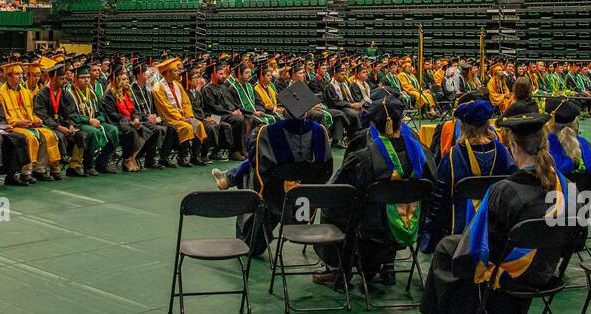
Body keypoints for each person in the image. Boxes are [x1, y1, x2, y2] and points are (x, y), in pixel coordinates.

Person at [420, 107, 577, 314]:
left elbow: (479, 250)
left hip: (510, 277)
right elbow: (577, 240)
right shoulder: (567, 187)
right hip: (545, 271)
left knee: (453, 250)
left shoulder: (504, 192)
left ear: (513, 146)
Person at [315, 87, 434, 288]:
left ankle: (337, 270)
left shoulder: (365, 154)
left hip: (371, 228)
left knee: (332, 209)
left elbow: (341, 190)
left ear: (372, 123)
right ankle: (388, 265)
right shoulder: (423, 153)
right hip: (410, 227)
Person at [211, 81, 332, 256]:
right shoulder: (319, 131)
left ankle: (251, 238)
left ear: (283, 110)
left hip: (274, 197)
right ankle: (229, 177)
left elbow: (259, 166)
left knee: (251, 172)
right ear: (307, 111)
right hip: (305, 197)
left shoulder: (267, 132)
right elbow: (325, 168)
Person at [422, 97, 514, 250]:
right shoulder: (503, 152)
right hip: (496, 230)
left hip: (459, 232)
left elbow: (439, 199)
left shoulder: (453, 156)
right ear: (488, 125)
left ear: (462, 126)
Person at [0, 61, 61, 181]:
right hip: (12, 126)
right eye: (17, 74)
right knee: (30, 137)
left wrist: (36, 120)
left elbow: (32, 112)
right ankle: (26, 172)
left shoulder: (25, 92)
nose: (21, 76)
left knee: (49, 134)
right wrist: (18, 122)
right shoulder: (0, 94)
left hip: (28, 124)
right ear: (9, 76)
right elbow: (2, 117)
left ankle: (40, 169)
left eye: (21, 74)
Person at [151, 58, 209, 167]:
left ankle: (194, 156)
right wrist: (181, 118)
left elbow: (186, 102)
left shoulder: (177, 85)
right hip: (168, 118)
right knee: (186, 127)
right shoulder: (158, 88)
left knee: (199, 124)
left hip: (182, 117)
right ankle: (182, 158)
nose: (178, 72)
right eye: (175, 71)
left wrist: (189, 116)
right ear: (167, 72)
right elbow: (165, 107)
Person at [32, 61, 86, 177]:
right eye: (62, 79)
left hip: (62, 124)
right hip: (48, 125)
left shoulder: (64, 93)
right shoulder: (41, 94)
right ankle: (54, 167)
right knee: (58, 136)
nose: (65, 81)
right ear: (54, 78)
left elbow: (69, 113)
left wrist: (70, 125)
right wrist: (59, 127)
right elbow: (42, 115)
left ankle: (74, 166)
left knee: (80, 135)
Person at [65, 62, 119, 175]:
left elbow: (100, 110)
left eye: (88, 77)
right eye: (83, 77)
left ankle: (102, 163)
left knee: (113, 130)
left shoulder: (92, 93)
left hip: (94, 121)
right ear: (76, 78)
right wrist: (88, 120)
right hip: (78, 123)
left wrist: (99, 119)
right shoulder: (69, 94)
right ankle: (88, 165)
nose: (86, 80)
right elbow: (71, 115)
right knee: (93, 132)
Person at [545, 98, 591, 175]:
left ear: (549, 124)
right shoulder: (584, 143)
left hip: (556, 186)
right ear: (575, 123)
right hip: (581, 186)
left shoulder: (544, 145)